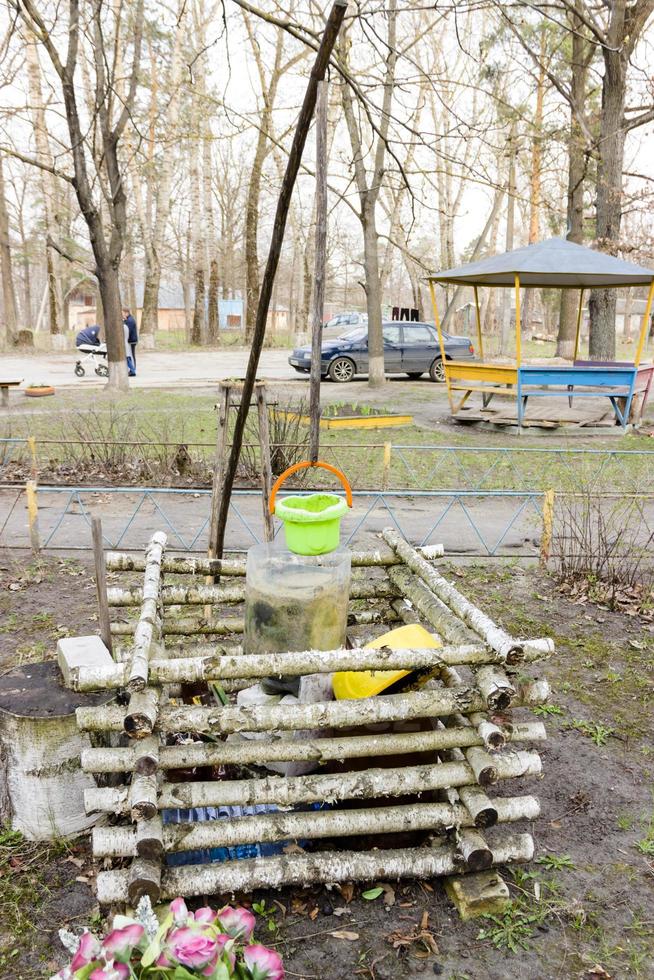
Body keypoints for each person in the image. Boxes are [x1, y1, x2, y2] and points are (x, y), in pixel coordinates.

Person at [123, 308, 138, 373]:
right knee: (130, 354)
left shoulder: (130, 321)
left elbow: (128, 331)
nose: (122, 314)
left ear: (127, 313)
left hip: (131, 341)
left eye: (123, 313)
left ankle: (133, 369)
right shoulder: (128, 319)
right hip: (130, 340)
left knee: (131, 355)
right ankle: (132, 369)